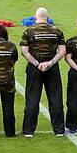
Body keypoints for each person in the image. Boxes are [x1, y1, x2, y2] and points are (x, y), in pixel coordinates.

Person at [20, 7, 67, 137]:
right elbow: (62, 51)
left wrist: (37, 64)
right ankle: (59, 130)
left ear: (35, 17)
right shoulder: (57, 31)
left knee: (32, 98)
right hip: (52, 68)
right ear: (47, 17)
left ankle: (28, 130)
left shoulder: (28, 31)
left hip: (35, 68)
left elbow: (25, 51)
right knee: (55, 98)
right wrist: (50, 63)